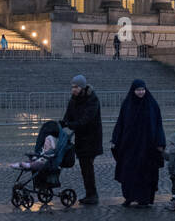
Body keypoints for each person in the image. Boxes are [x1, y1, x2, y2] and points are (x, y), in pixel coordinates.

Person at [111, 79, 166, 206]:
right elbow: (121, 122)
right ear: (133, 90)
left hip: (147, 146)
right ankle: (129, 197)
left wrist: (160, 142)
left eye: (142, 89)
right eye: (138, 90)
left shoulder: (152, 104)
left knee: (145, 173)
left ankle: (144, 199)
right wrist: (115, 139)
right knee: (128, 172)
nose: (141, 92)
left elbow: (158, 124)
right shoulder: (127, 104)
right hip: (129, 145)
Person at [63, 74, 102, 205]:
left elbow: (86, 120)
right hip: (81, 137)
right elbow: (68, 115)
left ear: (82, 87)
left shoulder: (92, 99)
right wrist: (64, 123)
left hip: (91, 138)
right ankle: (90, 193)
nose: (73, 89)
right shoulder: (74, 99)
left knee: (87, 167)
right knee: (85, 167)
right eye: (72, 87)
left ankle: (92, 194)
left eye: (76, 87)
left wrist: (72, 125)